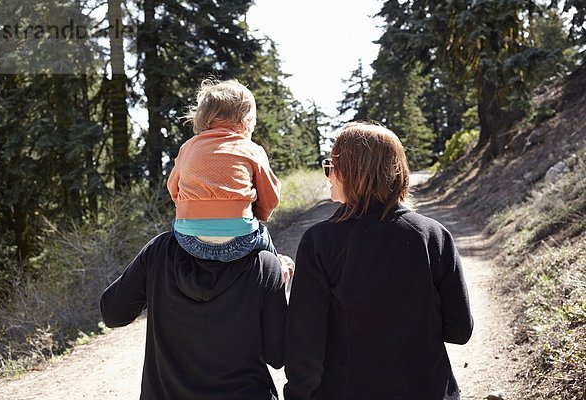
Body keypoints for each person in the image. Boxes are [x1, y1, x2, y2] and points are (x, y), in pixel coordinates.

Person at [284, 122, 473, 400]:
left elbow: (305, 342)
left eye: (331, 167)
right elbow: (460, 329)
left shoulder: (319, 242)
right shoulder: (433, 235)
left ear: (351, 172)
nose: (328, 176)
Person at [100, 231, 287, 399]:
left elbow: (112, 314)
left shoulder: (159, 251)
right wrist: (280, 283)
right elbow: (277, 357)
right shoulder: (264, 264)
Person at [167, 78, 281, 263]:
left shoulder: (187, 147)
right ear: (246, 121)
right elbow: (270, 197)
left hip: (188, 239)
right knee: (266, 241)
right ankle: (280, 271)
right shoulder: (251, 149)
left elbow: (173, 188)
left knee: (172, 234)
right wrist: (261, 215)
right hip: (239, 239)